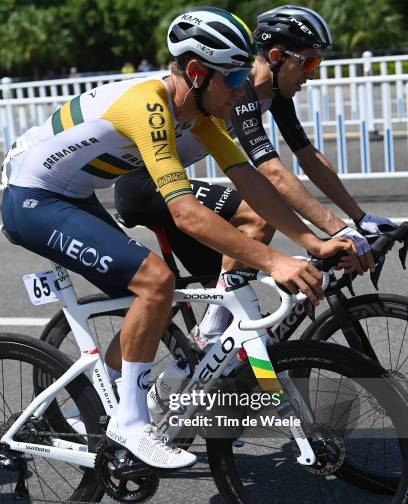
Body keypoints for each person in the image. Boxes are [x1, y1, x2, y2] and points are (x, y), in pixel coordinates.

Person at [1, 7, 354, 470]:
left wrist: (314, 244)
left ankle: (100, 402)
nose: (240, 88)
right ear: (195, 72)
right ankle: (128, 422)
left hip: (75, 194)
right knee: (155, 281)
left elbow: (252, 184)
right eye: (230, 77)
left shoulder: (203, 114)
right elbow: (186, 214)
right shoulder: (149, 104)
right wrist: (274, 262)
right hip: (32, 199)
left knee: (155, 298)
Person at [115, 5, 395, 352]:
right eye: (308, 62)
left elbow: (309, 158)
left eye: (317, 63)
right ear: (277, 57)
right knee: (257, 218)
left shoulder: (274, 96)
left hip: (167, 184)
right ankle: (207, 339)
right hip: (142, 185)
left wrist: (359, 217)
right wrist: (335, 231)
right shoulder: (241, 88)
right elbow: (271, 171)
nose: (312, 74)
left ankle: (214, 368)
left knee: (235, 300)